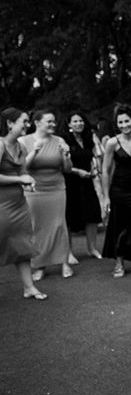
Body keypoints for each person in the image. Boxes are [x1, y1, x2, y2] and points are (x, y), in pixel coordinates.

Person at [18, 110, 74, 282]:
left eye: (54, 121)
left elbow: (68, 168)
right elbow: (21, 168)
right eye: (49, 121)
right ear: (37, 122)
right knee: (37, 226)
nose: (53, 124)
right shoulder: (23, 141)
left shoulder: (59, 141)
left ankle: (64, 262)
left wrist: (65, 155)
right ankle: (40, 265)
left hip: (57, 187)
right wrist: (34, 151)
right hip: (34, 189)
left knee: (59, 224)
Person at [0, 108, 47, 300]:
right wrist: (20, 180)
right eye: (24, 122)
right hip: (1, 204)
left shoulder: (21, 147)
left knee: (22, 245)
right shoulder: (0, 145)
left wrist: (29, 181)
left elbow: (23, 173)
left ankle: (29, 287)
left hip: (18, 203)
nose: (28, 125)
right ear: (10, 124)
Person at [101, 104, 131, 278]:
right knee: (119, 226)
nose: (124, 125)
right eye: (120, 122)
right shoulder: (112, 143)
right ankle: (119, 263)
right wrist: (106, 197)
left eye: (126, 121)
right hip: (119, 190)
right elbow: (105, 170)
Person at [61, 111, 104, 263]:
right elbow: (60, 164)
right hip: (70, 181)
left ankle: (91, 248)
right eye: (75, 121)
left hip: (87, 181)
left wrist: (93, 170)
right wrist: (77, 171)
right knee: (70, 217)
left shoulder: (88, 139)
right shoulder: (64, 140)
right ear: (69, 124)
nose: (79, 123)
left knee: (92, 214)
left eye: (81, 121)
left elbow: (94, 158)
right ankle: (69, 252)